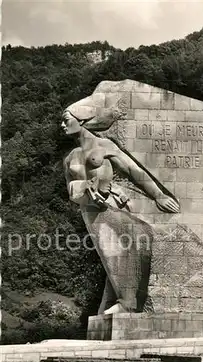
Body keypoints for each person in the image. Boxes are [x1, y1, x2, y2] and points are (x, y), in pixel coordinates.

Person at [61, 94, 180, 315]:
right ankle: (127, 303)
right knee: (111, 251)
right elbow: (71, 191)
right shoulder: (70, 158)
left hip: (115, 204)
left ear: (82, 120)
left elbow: (134, 171)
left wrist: (158, 196)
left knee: (133, 242)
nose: (62, 125)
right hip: (92, 211)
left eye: (66, 119)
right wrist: (85, 187)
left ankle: (118, 305)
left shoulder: (105, 145)